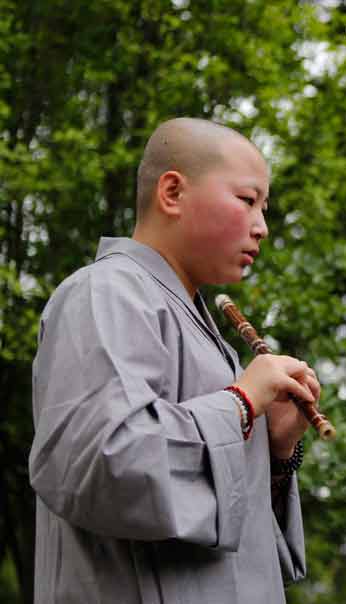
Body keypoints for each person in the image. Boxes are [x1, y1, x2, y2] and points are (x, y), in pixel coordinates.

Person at [29, 117, 321, 603]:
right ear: (172, 193)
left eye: (264, 208)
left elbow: (241, 541)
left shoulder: (216, 344)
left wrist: (274, 451)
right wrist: (242, 403)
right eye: (247, 200)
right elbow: (99, 463)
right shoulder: (105, 292)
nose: (262, 227)